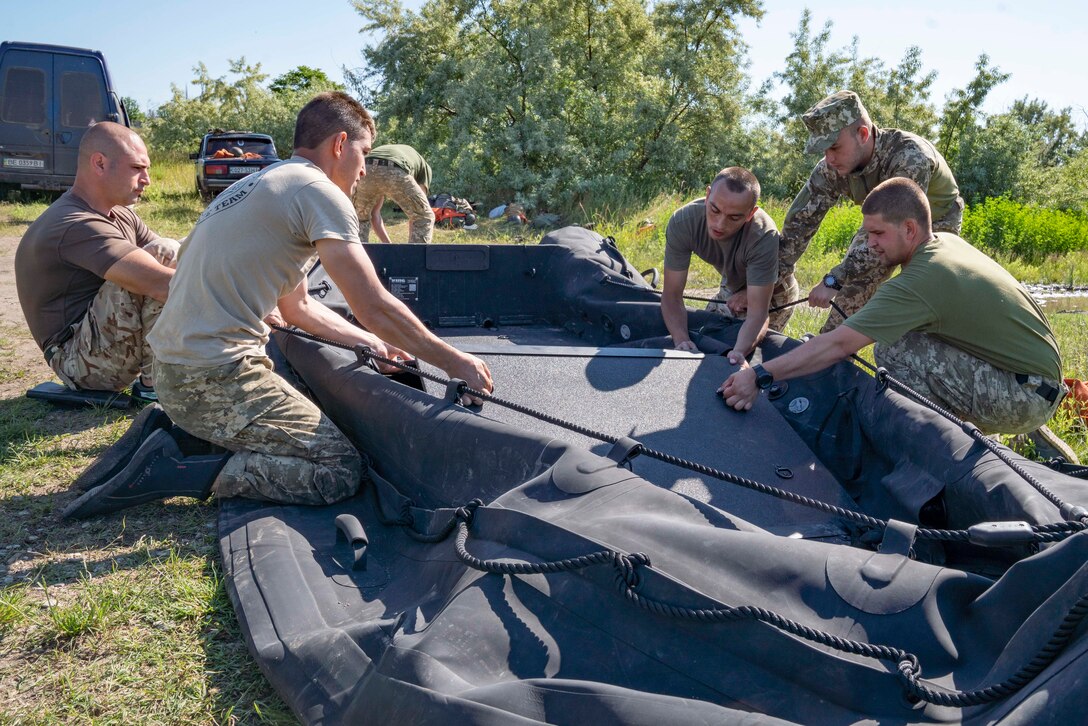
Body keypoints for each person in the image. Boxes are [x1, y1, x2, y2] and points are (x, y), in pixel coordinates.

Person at [63, 92, 494, 520]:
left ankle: (173, 433)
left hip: (176, 372)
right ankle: (181, 469)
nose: (364, 171)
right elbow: (374, 304)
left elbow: (298, 308)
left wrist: (371, 344)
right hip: (214, 376)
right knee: (338, 469)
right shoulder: (320, 192)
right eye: (362, 154)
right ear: (339, 145)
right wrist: (453, 361)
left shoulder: (262, 184)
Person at [721, 178, 1066, 444]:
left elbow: (838, 345)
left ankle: (940, 448)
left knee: (894, 350)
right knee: (901, 338)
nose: (870, 243)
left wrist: (760, 375)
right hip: (1034, 382)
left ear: (910, 229)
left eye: (877, 233)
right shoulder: (945, 244)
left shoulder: (923, 280)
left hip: (1025, 396)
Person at [14, 121, 178, 399]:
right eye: (137, 168)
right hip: (78, 361)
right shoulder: (74, 223)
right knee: (159, 262)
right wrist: (247, 302)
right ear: (99, 164)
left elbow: (177, 260)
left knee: (172, 250)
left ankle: (180, 369)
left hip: (99, 342)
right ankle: (155, 385)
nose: (147, 179)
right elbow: (161, 283)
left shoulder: (120, 213)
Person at [780, 90, 964, 332]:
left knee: (919, 294)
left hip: (936, 225)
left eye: (834, 147)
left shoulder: (909, 158)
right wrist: (770, 275)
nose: (829, 158)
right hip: (883, 223)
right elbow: (799, 224)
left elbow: (893, 236)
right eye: (824, 150)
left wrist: (834, 279)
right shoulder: (831, 168)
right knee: (856, 281)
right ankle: (828, 348)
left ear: (863, 134)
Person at [662, 167, 793, 364]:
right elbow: (671, 295)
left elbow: (758, 315)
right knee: (709, 332)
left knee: (757, 358)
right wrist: (682, 342)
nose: (720, 224)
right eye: (714, 210)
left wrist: (738, 353)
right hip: (732, 283)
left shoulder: (763, 236)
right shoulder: (683, 223)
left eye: (734, 217)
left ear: (750, 213)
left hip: (774, 289)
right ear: (707, 195)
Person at [352, 143, 435, 244]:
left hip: (365, 167)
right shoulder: (425, 169)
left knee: (361, 218)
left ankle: (357, 257)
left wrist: (389, 246)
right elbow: (417, 213)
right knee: (423, 216)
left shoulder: (401, 153)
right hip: (394, 167)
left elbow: (374, 214)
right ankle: (415, 258)